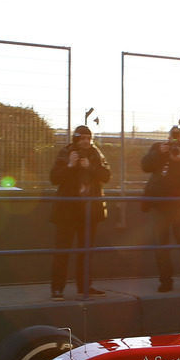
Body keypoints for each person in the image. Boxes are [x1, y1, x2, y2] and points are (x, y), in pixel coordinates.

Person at [50, 125, 111, 300]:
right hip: (67, 211)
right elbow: (54, 178)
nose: (85, 141)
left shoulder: (96, 154)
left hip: (89, 211)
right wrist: (70, 165)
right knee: (62, 251)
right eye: (82, 138)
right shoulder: (65, 153)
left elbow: (106, 176)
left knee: (86, 251)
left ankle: (84, 286)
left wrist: (90, 167)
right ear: (76, 139)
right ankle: (57, 288)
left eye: (88, 138)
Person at [142, 125, 180, 292]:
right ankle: (165, 281)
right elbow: (145, 166)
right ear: (168, 137)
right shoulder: (158, 148)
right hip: (160, 206)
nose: (175, 141)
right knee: (162, 247)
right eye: (172, 137)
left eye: (179, 138)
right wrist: (159, 154)